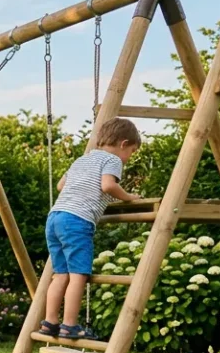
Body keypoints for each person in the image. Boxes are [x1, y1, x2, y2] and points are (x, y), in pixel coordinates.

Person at [39, 118, 143, 340]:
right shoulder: (113, 160)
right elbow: (108, 185)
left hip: (55, 218)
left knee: (60, 275)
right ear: (123, 144)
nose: (129, 157)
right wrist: (128, 197)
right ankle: (69, 325)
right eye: (132, 151)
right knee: (78, 276)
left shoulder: (82, 160)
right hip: (77, 220)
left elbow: (61, 185)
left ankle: (50, 322)